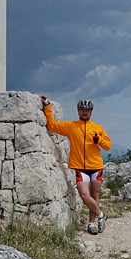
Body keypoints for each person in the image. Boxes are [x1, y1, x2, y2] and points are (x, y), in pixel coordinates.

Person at [41, 96, 112, 235]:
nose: (84, 112)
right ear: (78, 112)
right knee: (84, 195)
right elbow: (52, 125)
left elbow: (108, 146)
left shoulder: (97, 128)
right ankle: (101, 215)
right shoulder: (71, 126)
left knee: (95, 194)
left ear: (91, 112)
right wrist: (47, 106)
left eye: (87, 110)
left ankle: (91, 224)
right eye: (82, 110)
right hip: (80, 167)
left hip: (96, 166)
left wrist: (99, 140)